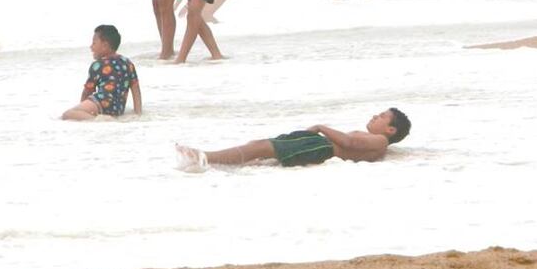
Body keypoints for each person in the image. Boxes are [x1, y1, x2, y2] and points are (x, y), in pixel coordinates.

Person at [176, 109, 412, 171]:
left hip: (322, 146)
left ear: (390, 130)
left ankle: (205, 157)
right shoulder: (378, 141)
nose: (375, 116)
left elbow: (350, 145)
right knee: (261, 148)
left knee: (264, 147)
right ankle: (216, 161)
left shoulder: (380, 140)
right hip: (319, 146)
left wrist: (321, 127)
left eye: (382, 116)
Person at [61, 25, 142, 120]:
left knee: (67, 115)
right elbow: (136, 90)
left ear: (105, 46)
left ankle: (98, 120)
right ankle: (104, 119)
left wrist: (81, 108)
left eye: (94, 43)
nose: (91, 47)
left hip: (101, 103)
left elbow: (87, 91)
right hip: (118, 109)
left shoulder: (98, 65)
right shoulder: (128, 63)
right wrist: (138, 113)